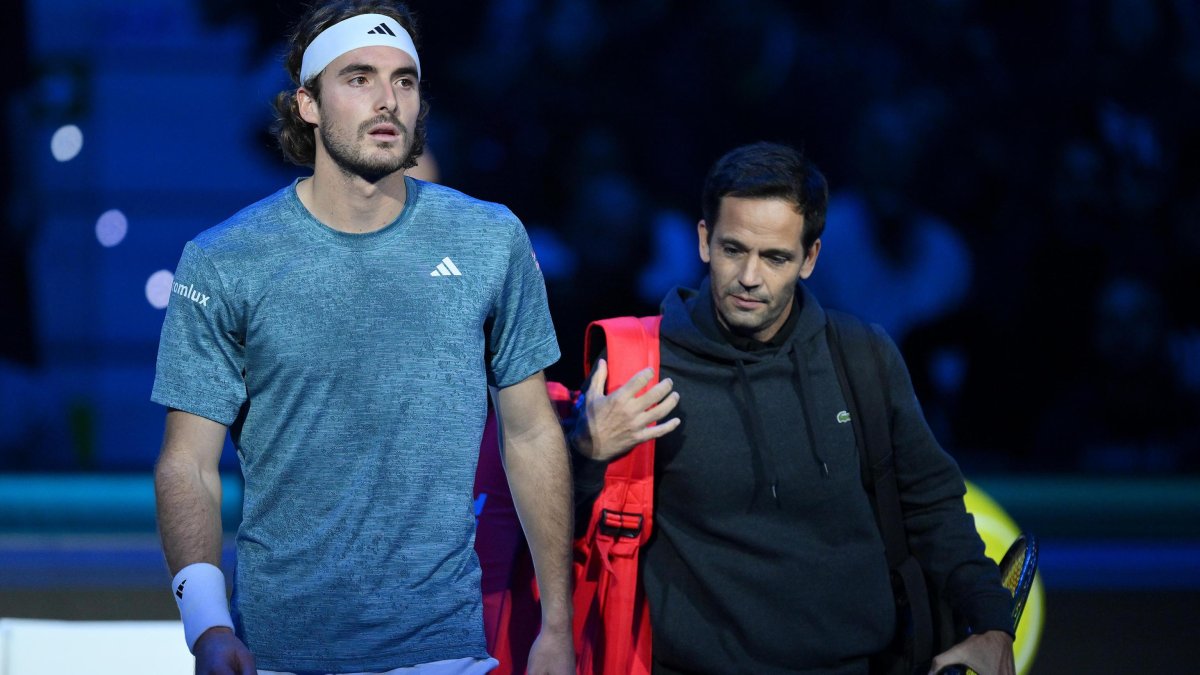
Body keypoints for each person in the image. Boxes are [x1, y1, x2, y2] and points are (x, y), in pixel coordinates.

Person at [151, 2, 573, 673]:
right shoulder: (224, 260)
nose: (389, 100)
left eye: (405, 80)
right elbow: (188, 462)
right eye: (359, 78)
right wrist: (208, 626)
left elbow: (530, 431)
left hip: (445, 650)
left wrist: (558, 624)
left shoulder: (491, 240)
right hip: (279, 654)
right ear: (307, 105)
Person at [569, 142, 1015, 675]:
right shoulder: (642, 366)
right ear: (705, 241)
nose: (750, 277)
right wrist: (585, 456)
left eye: (775, 256)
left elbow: (933, 505)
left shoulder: (862, 356)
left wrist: (993, 625)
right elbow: (571, 537)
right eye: (734, 249)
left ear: (810, 258)